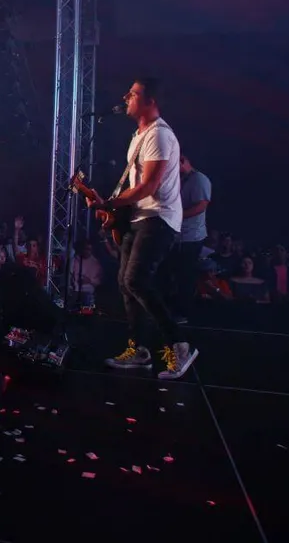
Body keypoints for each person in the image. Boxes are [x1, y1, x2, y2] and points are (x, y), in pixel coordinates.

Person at [88, 78, 198, 380]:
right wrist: (114, 205)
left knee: (136, 279)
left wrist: (113, 204)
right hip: (139, 217)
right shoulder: (139, 135)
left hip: (158, 218)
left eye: (133, 94)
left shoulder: (160, 135)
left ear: (150, 101)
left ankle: (180, 346)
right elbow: (135, 184)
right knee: (125, 282)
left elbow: (150, 185)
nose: (126, 97)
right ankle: (138, 349)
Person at [168, 153, 211, 321]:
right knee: (173, 273)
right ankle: (171, 309)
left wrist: (179, 215)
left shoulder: (199, 180)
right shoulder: (179, 180)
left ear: (184, 161)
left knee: (185, 275)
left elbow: (201, 205)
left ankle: (183, 313)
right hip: (177, 235)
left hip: (192, 237)